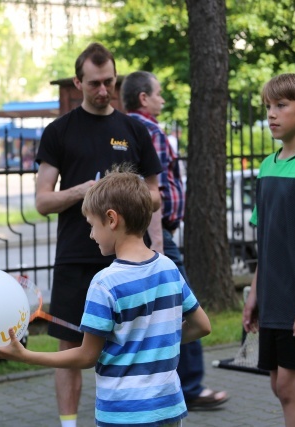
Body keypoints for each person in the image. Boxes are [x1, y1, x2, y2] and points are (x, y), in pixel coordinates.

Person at [0, 167, 212, 427]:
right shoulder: (169, 268)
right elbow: (202, 326)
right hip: (168, 408)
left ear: (112, 219)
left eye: (92, 225)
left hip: (124, 415)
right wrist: (156, 343)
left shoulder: (105, 283)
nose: (91, 235)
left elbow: (86, 356)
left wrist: (24, 355)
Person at [33, 42, 163, 427]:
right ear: (78, 82)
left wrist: (126, 196)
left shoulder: (135, 129)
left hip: (131, 259)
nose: (103, 90)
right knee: (70, 346)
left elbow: (156, 194)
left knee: (137, 342)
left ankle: (141, 416)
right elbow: (42, 201)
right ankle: (69, 424)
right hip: (77, 255)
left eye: (109, 82)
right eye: (94, 83)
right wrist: (85, 191)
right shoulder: (59, 131)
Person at [121, 71, 229, 410]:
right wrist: (157, 242)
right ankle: (192, 386)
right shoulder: (148, 130)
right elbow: (150, 188)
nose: (162, 100)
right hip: (158, 233)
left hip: (152, 232)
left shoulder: (125, 130)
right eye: (158, 94)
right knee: (183, 303)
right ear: (143, 98)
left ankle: (161, 381)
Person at [243, 73, 295, 427]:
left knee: (291, 388)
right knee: (278, 386)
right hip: (273, 299)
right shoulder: (267, 165)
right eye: (268, 107)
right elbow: (266, 239)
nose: (272, 115)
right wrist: (254, 294)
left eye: (282, 105)